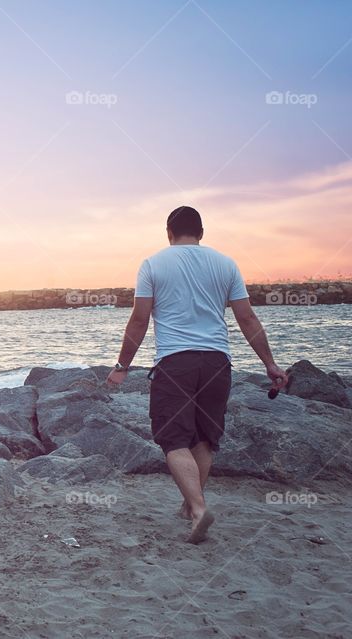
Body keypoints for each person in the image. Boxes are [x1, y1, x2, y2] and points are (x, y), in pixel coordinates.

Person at [105, 206, 289, 544]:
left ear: (169, 233)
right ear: (201, 233)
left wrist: (122, 366)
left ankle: (199, 509)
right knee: (204, 438)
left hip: (176, 363)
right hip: (218, 363)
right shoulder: (226, 263)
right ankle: (190, 506)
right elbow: (247, 319)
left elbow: (139, 320)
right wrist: (270, 364)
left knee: (173, 439)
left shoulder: (153, 264)